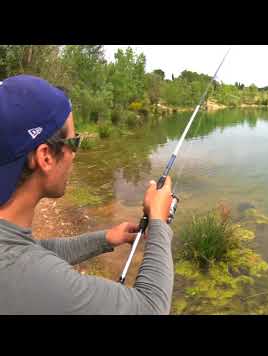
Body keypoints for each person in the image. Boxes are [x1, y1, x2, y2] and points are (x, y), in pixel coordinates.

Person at [0, 75, 174, 314]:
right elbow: (151, 307)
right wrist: (158, 220)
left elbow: (35, 250)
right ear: (46, 157)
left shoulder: (12, 247)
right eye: (75, 141)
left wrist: (106, 239)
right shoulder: (17, 270)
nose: (75, 154)